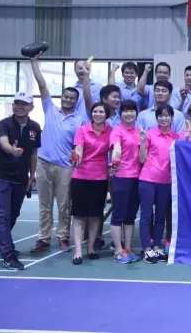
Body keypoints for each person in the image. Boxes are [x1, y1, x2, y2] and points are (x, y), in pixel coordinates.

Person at [29, 55, 85, 254]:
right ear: (61, 98)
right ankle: (43, 239)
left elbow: (79, 144)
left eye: (72, 98)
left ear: (76, 101)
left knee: (64, 205)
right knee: (44, 205)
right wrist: (34, 62)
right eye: (66, 97)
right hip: (43, 164)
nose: (68, 99)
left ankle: (63, 237)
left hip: (65, 167)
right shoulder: (50, 110)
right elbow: (42, 84)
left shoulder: (79, 121)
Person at [0, 92, 42, 270]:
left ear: (31, 107)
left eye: (24, 104)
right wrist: (11, 150)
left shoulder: (35, 127)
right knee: (3, 215)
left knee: (13, 214)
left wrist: (32, 176)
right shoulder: (3, 125)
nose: (20, 106)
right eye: (17, 103)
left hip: (20, 178)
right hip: (1, 176)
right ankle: (8, 255)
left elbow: (33, 153)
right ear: (13, 105)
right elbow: (3, 142)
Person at [70, 102, 112, 265]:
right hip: (80, 176)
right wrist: (77, 158)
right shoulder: (82, 130)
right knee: (78, 215)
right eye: (95, 111)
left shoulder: (111, 132)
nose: (97, 114)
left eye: (101, 112)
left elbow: (115, 150)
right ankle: (78, 251)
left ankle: (91, 247)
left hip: (100, 178)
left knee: (95, 215)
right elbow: (78, 148)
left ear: (106, 115)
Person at [138, 104, 179, 264]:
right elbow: (142, 159)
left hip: (166, 181)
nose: (164, 118)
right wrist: (142, 142)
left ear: (171, 117)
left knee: (161, 216)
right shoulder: (149, 134)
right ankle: (146, 248)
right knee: (146, 215)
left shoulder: (176, 137)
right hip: (148, 179)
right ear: (157, 118)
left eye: (167, 115)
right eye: (160, 116)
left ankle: (156, 246)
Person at [108, 100, 142, 264]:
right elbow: (116, 148)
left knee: (131, 215)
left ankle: (128, 248)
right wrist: (116, 159)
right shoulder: (117, 131)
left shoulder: (139, 132)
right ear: (120, 114)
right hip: (121, 177)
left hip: (138, 177)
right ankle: (118, 249)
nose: (129, 114)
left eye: (132, 111)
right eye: (126, 111)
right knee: (118, 214)